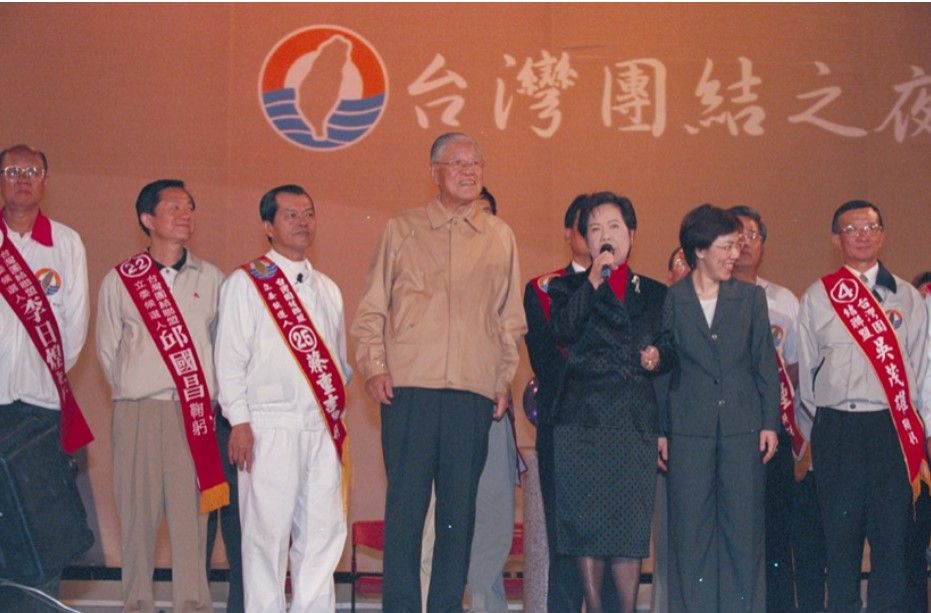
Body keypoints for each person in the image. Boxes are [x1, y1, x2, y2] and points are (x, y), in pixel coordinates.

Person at [352, 132, 526, 613]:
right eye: (458, 162)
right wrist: (373, 366)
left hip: (471, 391)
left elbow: (509, 320)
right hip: (409, 388)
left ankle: (448, 605)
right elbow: (372, 310)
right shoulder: (402, 229)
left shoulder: (500, 236)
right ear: (434, 172)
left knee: (458, 514)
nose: (470, 171)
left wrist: (500, 381)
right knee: (406, 511)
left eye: (477, 163)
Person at [216, 184, 351, 612]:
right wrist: (239, 420)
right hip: (267, 425)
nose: (302, 222)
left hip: (320, 429)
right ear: (268, 226)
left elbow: (340, 365)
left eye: (308, 213)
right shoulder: (245, 282)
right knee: (265, 538)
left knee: (322, 535)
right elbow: (230, 359)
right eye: (290, 214)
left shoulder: (328, 288)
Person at [96, 179, 227, 613]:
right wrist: (140, 382)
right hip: (139, 411)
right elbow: (107, 349)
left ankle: (192, 604)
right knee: (137, 514)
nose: (184, 214)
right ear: (147, 220)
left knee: (192, 518)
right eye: (173, 207)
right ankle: (136, 603)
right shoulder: (121, 279)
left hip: (192, 411)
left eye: (189, 206)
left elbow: (221, 346)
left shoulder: (212, 279)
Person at [798, 200, 929, 613]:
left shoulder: (907, 297)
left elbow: (923, 370)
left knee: (892, 545)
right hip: (838, 430)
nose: (862, 235)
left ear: (883, 234)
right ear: (836, 240)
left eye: (870, 226)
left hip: (892, 429)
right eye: (851, 229)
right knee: (840, 545)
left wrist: (923, 434)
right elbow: (807, 377)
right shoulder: (819, 295)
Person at [548, 192, 668, 613]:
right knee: (586, 524)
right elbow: (562, 330)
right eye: (595, 228)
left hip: (633, 421)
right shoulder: (565, 287)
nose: (605, 235)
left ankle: (627, 608)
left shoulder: (654, 292)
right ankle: (595, 607)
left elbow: (670, 348)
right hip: (581, 422)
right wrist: (594, 281)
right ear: (585, 237)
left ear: (631, 234)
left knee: (628, 525)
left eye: (615, 227)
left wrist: (657, 356)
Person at [658, 204, 779, 613]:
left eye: (738, 245)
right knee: (690, 535)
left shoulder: (751, 298)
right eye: (726, 246)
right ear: (700, 249)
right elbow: (663, 372)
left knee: (743, 535)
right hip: (687, 432)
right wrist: (662, 430)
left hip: (743, 430)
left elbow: (764, 364)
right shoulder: (671, 300)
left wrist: (769, 422)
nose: (735, 254)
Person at [417, 186, 522, 613]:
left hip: (491, 412)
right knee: (435, 524)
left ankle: (485, 605)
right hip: (438, 412)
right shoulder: (427, 270)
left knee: (492, 521)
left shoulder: (504, 275)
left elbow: (511, 338)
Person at [0, 144, 92, 606]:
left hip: (40, 407)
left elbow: (74, 326)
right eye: (12, 170)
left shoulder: (66, 242)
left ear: (45, 181)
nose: (21, 178)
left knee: (39, 519)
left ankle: (38, 602)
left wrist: (47, 375)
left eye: (31, 171)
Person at [727, 204, 821, 612]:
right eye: (735, 235)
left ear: (763, 245)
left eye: (752, 235)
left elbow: (799, 366)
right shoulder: (707, 296)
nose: (744, 243)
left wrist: (768, 398)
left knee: (774, 536)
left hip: (773, 434)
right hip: (724, 435)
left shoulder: (784, 300)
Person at [524, 194, 598, 612]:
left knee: (613, 547)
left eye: (607, 227)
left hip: (616, 432)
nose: (596, 235)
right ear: (569, 234)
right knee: (564, 544)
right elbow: (546, 361)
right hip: (565, 426)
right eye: (586, 226)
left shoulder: (633, 290)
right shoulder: (543, 289)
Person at [205, 408, 243, 613]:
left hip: (239, 424)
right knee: (199, 535)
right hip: (198, 424)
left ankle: (241, 608)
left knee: (241, 536)